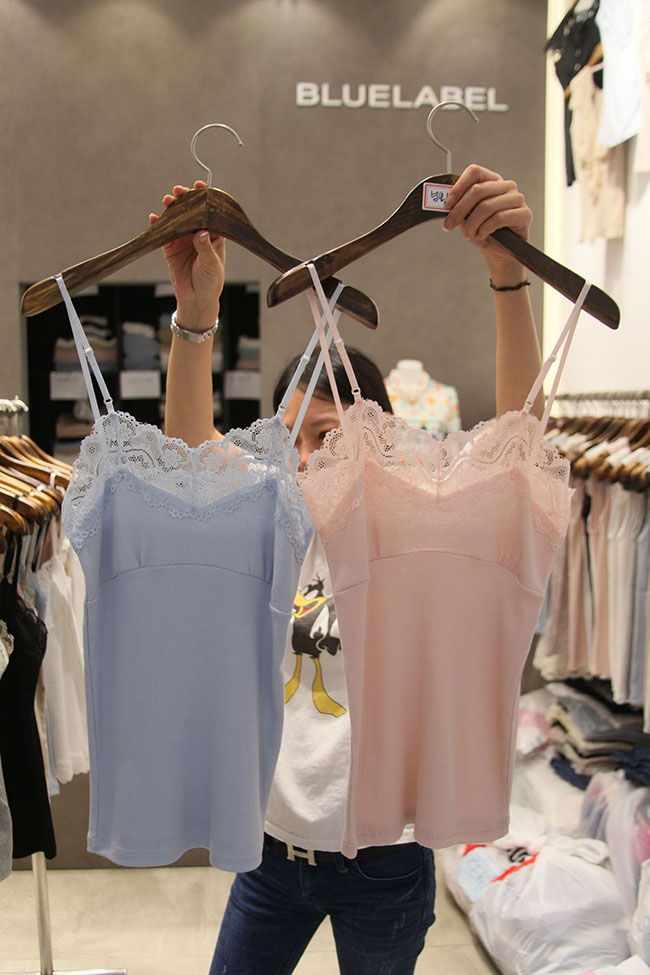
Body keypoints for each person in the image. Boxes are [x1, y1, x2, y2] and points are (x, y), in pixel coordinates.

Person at [151, 164, 544, 975]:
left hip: (384, 862)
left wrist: (509, 279)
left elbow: (519, 452)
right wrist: (195, 316)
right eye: (292, 437)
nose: (306, 457)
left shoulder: (420, 534)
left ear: (376, 434)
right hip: (271, 853)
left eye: (327, 434)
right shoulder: (273, 519)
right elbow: (191, 450)